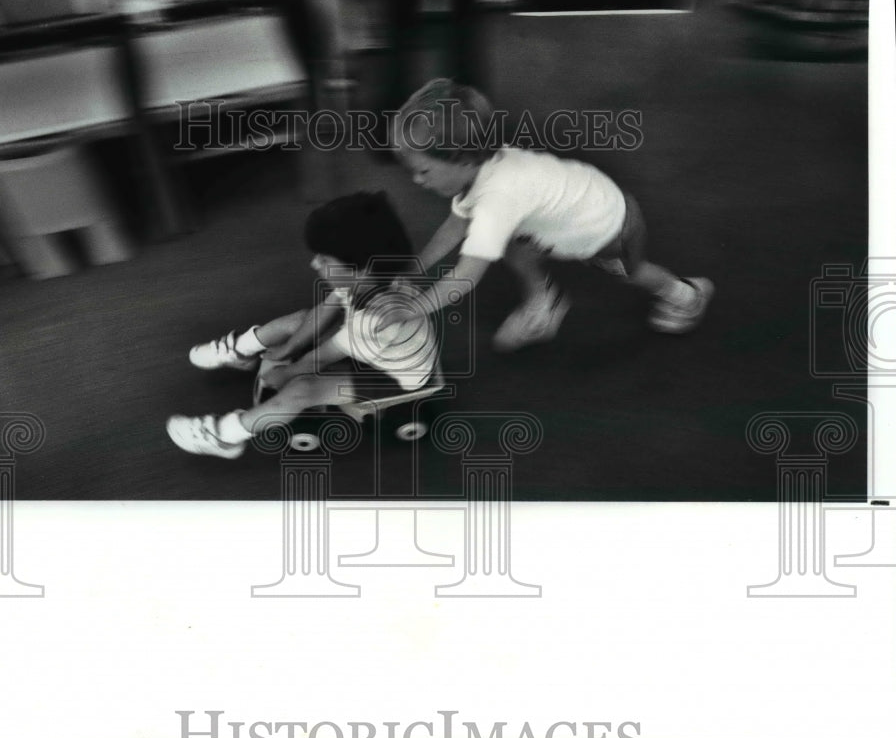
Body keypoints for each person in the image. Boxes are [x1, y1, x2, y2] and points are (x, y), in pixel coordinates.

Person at [390, 78, 714, 352]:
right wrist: (415, 269)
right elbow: (456, 224)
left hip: (609, 226)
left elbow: (464, 277)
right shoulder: (477, 170)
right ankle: (543, 305)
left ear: (461, 160)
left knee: (633, 271)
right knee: (516, 250)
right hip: (578, 200)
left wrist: (411, 311)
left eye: (423, 171)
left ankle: (687, 294)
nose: (417, 181)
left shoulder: (496, 201)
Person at [166, 191, 438, 459]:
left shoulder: (376, 320)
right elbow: (324, 310)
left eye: (324, 258)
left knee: (302, 390)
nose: (314, 262)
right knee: (300, 319)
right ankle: (239, 351)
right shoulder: (367, 278)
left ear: (361, 268)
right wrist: (288, 347)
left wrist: (288, 373)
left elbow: (324, 355)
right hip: (379, 348)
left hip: (394, 377)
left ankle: (223, 436)